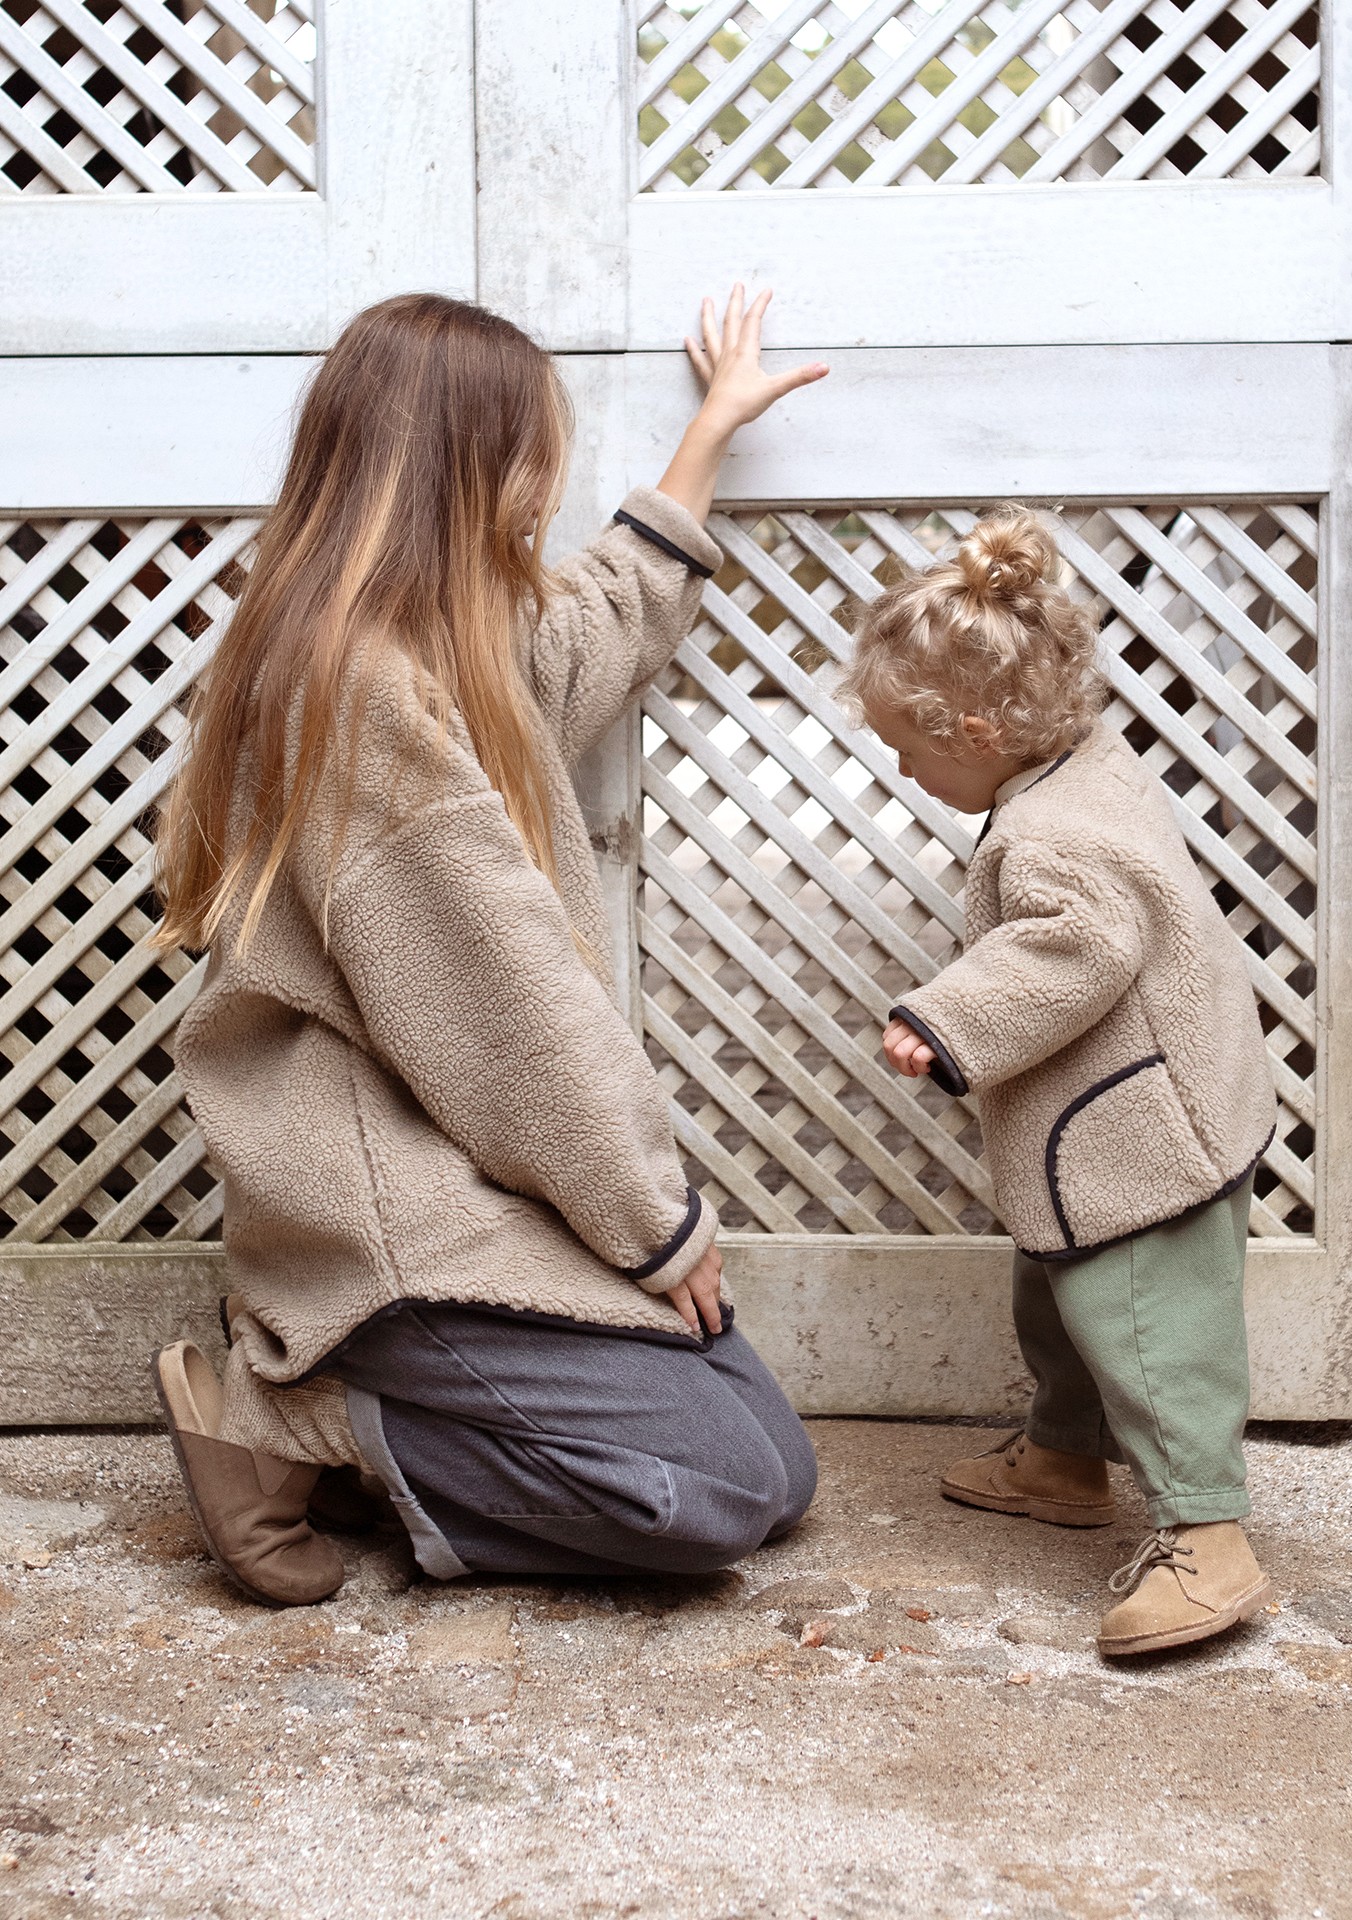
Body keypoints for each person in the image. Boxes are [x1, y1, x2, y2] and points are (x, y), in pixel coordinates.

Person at [150, 286, 826, 1606]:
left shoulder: (433, 645)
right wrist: (653, 1223)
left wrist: (712, 436)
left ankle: (358, 1423)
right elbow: (509, 1010)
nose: (547, 487)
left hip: (464, 1193)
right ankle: (300, 1419)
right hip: (388, 1220)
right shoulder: (360, 690)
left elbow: (591, 629)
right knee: (719, 1501)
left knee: (776, 1475)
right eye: (532, 455)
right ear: (464, 466)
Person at [839, 505, 1277, 1657]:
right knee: (1063, 1296)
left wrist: (947, 1018)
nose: (902, 766)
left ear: (978, 730)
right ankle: (1067, 1458)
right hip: (1121, 1125)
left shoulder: (1050, 840)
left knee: (1149, 1329)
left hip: (1145, 1140)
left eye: (910, 747)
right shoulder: (1082, 766)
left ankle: (1209, 1536)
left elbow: (1075, 948)